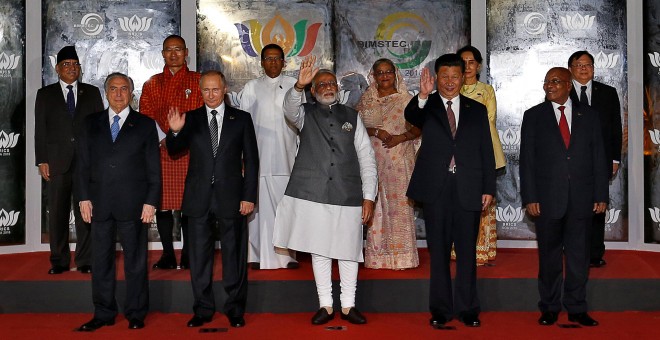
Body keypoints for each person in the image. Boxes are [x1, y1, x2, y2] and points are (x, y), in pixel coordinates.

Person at [272, 56, 377, 325]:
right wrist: (298, 86)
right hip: (313, 194)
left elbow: (366, 157)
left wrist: (369, 196)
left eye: (331, 83)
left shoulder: (352, 116)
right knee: (320, 251)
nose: (327, 86)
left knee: (348, 250)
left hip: (348, 194)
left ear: (338, 89)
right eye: (320, 84)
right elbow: (289, 108)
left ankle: (349, 305)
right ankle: (326, 305)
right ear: (313, 90)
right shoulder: (304, 113)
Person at [404, 54, 495, 328]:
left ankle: (468, 310)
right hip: (437, 190)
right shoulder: (427, 105)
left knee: (467, 253)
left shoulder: (476, 109)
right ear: (436, 78)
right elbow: (411, 116)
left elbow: (486, 152)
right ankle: (441, 310)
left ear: (464, 77)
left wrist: (488, 186)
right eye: (444, 77)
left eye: (455, 76)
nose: (449, 82)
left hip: (468, 188)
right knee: (439, 253)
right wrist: (422, 94)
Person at [166, 70, 258, 328]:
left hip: (232, 198)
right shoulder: (191, 118)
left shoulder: (241, 119)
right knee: (198, 257)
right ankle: (203, 309)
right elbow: (174, 151)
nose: (210, 94)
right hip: (198, 199)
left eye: (215, 89)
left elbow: (251, 161)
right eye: (205, 90)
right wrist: (174, 133)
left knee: (234, 255)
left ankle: (235, 309)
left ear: (225, 88)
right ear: (200, 90)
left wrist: (249, 196)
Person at [519, 67, 608, 327]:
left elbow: (599, 158)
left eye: (555, 81)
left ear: (569, 85)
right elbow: (527, 161)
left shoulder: (590, 116)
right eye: (546, 82)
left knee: (579, 257)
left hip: (582, 198)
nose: (549, 86)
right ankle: (549, 307)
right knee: (549, 257)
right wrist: (530, 196)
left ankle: (577, 308)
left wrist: (601, 193)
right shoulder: (533, 116)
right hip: (546, 200)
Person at [76, 73, 161, 331]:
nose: (119, 94)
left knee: (135, 262)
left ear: (131, 93)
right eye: (113, 89)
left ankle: (136, 313)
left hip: (134, 205)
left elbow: (154, 169)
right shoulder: (90, 123)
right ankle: (103, 313)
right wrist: (83, 197)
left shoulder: (145, 125)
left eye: (124, 89)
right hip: (98, 203)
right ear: (106, 92)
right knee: (101, 262)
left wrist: (151, 201)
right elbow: (81, 165)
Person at [34, 45, 104, 275]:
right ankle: (59, 261)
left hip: (86, 162)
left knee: (85, 211)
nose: (72, 68)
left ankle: (85, 260)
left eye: (75, 65)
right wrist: (42, 159)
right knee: (57, 213)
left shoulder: (92, 92)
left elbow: (99, 128)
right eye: (66, 65)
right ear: (57, 69)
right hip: (56, 162)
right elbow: (40, 130)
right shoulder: (45, 94)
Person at [140, 34, 204, 270]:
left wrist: (181, 138)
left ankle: (189, 254)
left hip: (191, 150)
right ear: (162, 54)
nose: (174, 54)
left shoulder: (198, 81)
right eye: (169, 50)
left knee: (190, 203)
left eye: (178, 49)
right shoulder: (152, 83)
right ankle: (168, 253)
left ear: (186, 52)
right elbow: (146, 115)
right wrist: (166, 139)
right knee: (163, 203)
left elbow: (201, 115)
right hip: (161, 149)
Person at [355, 58, 420, 270]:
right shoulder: (366, 100)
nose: (384, 76)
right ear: (373, 75)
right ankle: (377, 259)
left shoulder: (406, 99)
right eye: (379, 72)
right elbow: (354, 129)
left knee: (400, 208)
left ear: (395, 73)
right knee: (377, 207)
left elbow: (419, 129)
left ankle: (403, 258)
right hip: (372, 161)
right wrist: (376, 131)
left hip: (399, 160)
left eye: (388, 72)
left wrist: (399, 138)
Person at [240, 44, 299, 270]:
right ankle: (254, 255)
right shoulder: (251, 87)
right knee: (255, 208)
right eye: (268, 58)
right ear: (261, 62)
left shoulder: (295, 86)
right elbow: (244, 124)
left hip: (287, 157)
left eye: (277, 59)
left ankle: (286, 256)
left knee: (285, 208)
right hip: (258, 157)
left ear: (284, 62)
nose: (273, 62)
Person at [568, 51, 623, 268]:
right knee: (570, 205)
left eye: (588, 64)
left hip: (600, 160)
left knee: (598, 205)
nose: (584, 68)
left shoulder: (608, 93)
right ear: (570, 68)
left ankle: (594, 253)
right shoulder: (563, 90)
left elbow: (615, 128)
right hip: (571, 160)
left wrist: (615, 158)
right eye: (578, 64)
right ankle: (570, 248)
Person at [454, 45, 506, 266]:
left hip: (482, 155)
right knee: (457, 204)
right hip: (455, 159)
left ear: (479, 66)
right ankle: (457, 251)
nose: (467, 66)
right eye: (463, 62)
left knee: (482, 204)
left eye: (471, 62)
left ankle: (481, 252)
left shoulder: (486, 91)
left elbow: (489, 121)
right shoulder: (450, 89)